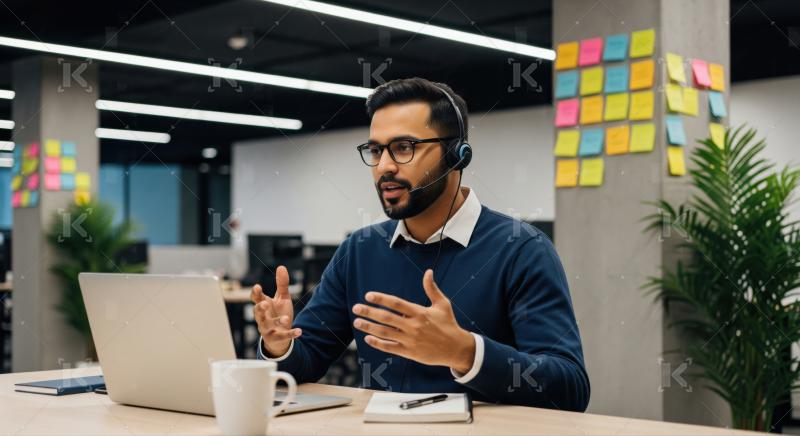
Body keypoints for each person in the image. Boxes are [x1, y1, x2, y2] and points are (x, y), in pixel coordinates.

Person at [252, 77, 590, 411]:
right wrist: (279, 346)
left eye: (403, 148)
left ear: (457, 155)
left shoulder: (522, 249)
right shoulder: (360, 250)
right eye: (375, 150)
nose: (384, 166)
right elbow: (305, 363)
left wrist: (466, 352)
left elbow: (569, 387)